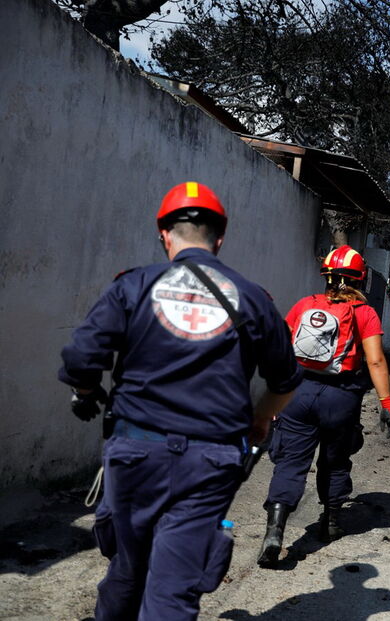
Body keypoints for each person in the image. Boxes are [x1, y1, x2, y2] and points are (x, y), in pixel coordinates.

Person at [58, 181, 301, 620]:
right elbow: (285, 379)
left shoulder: (132, 286)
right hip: (209, 464)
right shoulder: (252, 299)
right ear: (220, 238)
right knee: (173, 588)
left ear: (164, 235)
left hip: (134, 455)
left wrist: (87, 391)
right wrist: (260, 420)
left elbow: (80, 357)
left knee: (126, 570)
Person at [258, 245, 390, 566]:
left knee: (290, 463)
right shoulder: (364, 313)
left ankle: (275, 530)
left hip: (298, 393)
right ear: (360, 280)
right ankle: (330, 522)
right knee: (334, 461)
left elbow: (282, 352)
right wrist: (386, 406)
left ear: (328, 278)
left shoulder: (305, 305)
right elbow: (375, 360)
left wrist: (276, 396)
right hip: (340, 397)